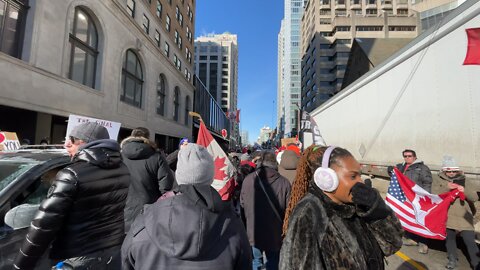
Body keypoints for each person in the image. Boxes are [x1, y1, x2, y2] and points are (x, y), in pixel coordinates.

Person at [13, 122, 130, 269]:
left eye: (71, 140)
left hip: (77, 258)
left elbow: (43, 226)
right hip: (112, 252)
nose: (66, 145)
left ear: (84, 142)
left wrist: (20, 265)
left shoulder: (71, 174)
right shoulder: (123, 169)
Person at [121, 143, 251, 270]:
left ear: (178, 175)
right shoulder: (234, 225)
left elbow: (126, 261)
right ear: (211, 177)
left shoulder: (144, 222)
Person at [280, 145, 403, 270]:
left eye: (360, 175)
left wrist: (377, 209)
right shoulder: (308, 213)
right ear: (326, 178)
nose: (360, 182)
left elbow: (393, 244)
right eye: (353, 176)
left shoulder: (358, 206)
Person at [241, 151, 291, 270]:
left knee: (256, 261)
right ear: (275, 163)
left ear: (260, 163)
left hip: (253, 231)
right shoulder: (284, 182)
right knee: (273, 262)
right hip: (275, 232)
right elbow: (289, 210)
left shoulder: (248, 180)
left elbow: (242, 204)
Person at [121, 127, 175, 233]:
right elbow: (165, 187)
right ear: (148, 138)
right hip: (148, 212)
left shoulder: (119, 155)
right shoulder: (156, 156)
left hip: (123, 212)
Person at [432, 156, 479, 269]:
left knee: (470, 241)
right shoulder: (438, 179)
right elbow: (434, 194)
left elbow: (474, 197)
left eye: (454, 171)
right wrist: (446, 187)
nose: (452, 173)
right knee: (450, 240)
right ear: (444, 170)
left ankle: (476, 263)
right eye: (449, 171)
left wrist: (465, 190)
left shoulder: (464, 179)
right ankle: (452, 259)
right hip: (447, 215)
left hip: (464, 216)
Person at [394, 149, 433, 254]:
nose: (407, 158)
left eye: (409, 156)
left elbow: (427, 182)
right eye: (405, 156)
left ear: (415, 157)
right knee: (408, 218)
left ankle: (423, 243)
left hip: (418, 199)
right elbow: (394, 176)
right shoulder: (401, 167)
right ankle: (412, 239)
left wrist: (426, 198)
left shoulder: (422, 168)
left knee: (420, 220)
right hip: (405, 198)